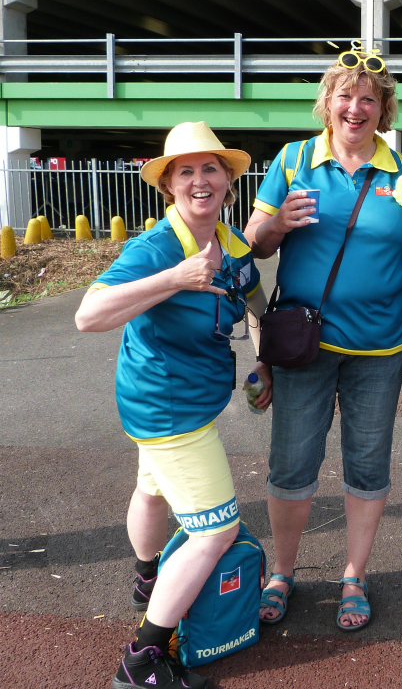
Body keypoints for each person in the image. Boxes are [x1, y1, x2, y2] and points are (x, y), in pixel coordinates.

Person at [243, 45, 402, 632]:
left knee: (368, 465)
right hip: (306, 345)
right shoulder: (295, 159)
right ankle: (283, 571)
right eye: (345, 96)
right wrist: (275, 224)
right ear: (328, 103)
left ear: (384, 109)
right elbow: (253, 244)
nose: (356, 108)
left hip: (380, 348)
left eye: (369, 99)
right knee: (293, 462)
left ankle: (355, 575)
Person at [75, 121, 269, 689]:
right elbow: (89, 316)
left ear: (229, 181)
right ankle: (143, 660)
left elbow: (256, 304)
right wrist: (174, 279)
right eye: (185, 171)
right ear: (169, 186)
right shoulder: (155, 247)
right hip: (168, 409)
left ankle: (147, 578)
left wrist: (265, 362)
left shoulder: (234, 245)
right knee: (215, 532)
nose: (200, 180)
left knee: (152, 487)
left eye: (211, 168)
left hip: (176, 403)